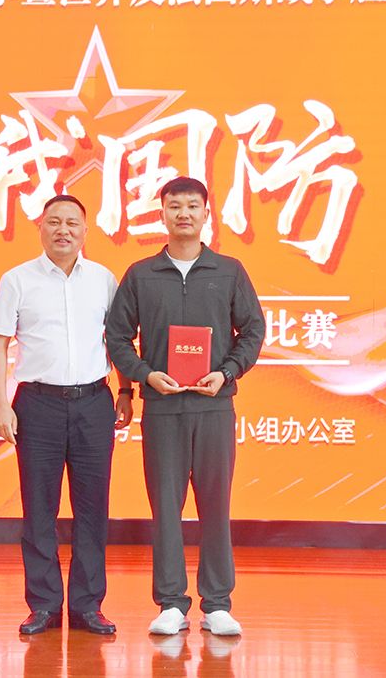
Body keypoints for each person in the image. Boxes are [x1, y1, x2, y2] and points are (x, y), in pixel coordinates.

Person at [105, 176, 265, 637]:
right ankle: (172, 602)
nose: (184, 214)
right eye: (175, 206)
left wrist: (228, 372)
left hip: (214, 408)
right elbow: (117, 336)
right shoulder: (141, 274)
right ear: (162, 214)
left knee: (216, 505)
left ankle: (217, 604)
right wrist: (143, 375)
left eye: (193, 206)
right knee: (165, 508)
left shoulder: (229, 271)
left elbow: (253, 330)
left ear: (206, 214)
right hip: (162, 408)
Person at [0, 194, 133, 636]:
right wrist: (0, 405)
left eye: (72, 223)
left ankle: (88, 606)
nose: (63, 230)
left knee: (93, 509)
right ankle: (44, 605)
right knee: (39, 509)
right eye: (54, 222)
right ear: (41, 228)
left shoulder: (104, 280)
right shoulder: (17, 280)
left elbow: (119, 340)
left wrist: (126, 390)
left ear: (86, 231)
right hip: (37, 404)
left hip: (93, 402)